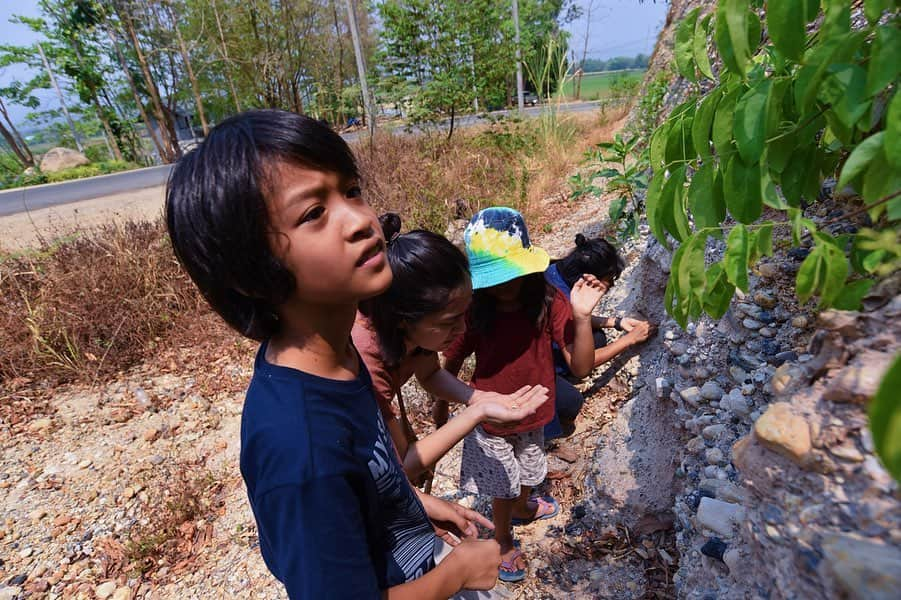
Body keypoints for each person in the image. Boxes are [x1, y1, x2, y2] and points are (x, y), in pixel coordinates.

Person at [165, 109, 502, 599]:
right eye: (313, 214)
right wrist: (458, 572)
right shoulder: (300, 449)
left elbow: (372, 469)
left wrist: (415, 502)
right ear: (250, 270)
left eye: (351, 190)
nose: (362, 221)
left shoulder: (340, 357)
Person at [440, 207, 607, 583]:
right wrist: (442, 407)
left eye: (511, 273)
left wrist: (582, 318)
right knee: (502, 483)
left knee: (531, 469)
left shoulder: (547, 300)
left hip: (536, 411)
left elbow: (580, 368)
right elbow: (448, 363)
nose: (504, 285)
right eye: (494, 277)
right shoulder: (474, 311)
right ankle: (501, 538)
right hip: (491, 417)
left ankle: (523, 506)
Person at [354, 213, 549, 481]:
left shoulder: (414, 330)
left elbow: (430, 373)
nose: (463, 330)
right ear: (403, 319)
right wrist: (476, 413)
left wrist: (476, 397)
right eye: (451, 321)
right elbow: (405, 463)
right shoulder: (364, 360)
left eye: (463, 314)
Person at [543, 234, 654, 446]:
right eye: (608, 283)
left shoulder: (554, 270)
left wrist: (616, 322)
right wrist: (629, 339)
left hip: (542, 343)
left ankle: (558, 375)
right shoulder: (561, 301)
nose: (607, 288)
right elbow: (581, 367)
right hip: (531, 371)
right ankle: (546, 436)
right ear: (589, 279)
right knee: (570, 403)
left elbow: (569, 318)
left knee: (597, 338)